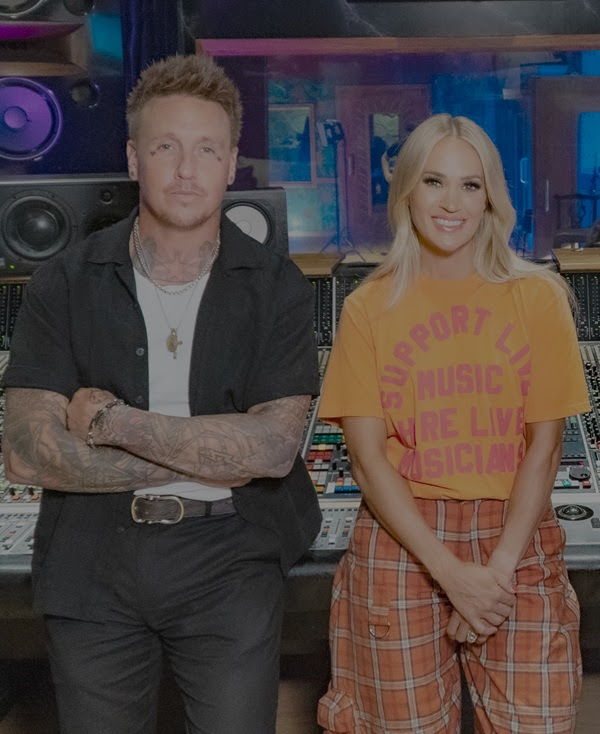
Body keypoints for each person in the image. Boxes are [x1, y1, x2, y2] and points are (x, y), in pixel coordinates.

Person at [2, 54, 321, 734]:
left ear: (230, 164)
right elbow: (28, 451)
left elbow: (270, 450)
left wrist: (111, 422)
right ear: (132, 158)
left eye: (206, 149)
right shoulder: (64, 281)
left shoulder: (277, 287)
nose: (185, 169)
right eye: (165, 147)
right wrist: (212, 454)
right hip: (93, 558)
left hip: (232, 558)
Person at [317, 114, 588, 733]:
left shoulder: (540, 298)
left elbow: (544, 449)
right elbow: (368, 461)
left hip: (514, 532)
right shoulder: (367, 308)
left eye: (471, 185)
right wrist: (449, 572)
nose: (451, 203)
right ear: (407, 188)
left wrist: (493, 574)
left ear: (491, 196)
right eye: (434, 181)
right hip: (404, 539)